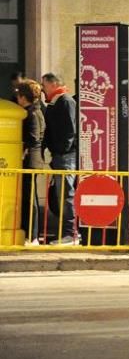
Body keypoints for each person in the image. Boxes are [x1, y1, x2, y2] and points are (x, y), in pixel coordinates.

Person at [40, 73, 78, 244]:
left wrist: (61, 151)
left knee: (66, 194)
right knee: (61, 194)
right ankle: (67, 232)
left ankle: (71, 233)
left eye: (45, 85)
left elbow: (70, 130)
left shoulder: (66, 101)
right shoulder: (54, 103)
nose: (43, 88)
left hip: (65, 156)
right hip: (59, 155)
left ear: (54, 84)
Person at [15, 80, 45, 245]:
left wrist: (23, 151)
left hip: (30, 161)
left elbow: (33, 138)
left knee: (30, 198)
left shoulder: (32, 113)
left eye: (18, 94)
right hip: (32, 160)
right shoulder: (35, 110)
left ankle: (33, 235)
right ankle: (31, 234)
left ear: (23, 96)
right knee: (28, 197)